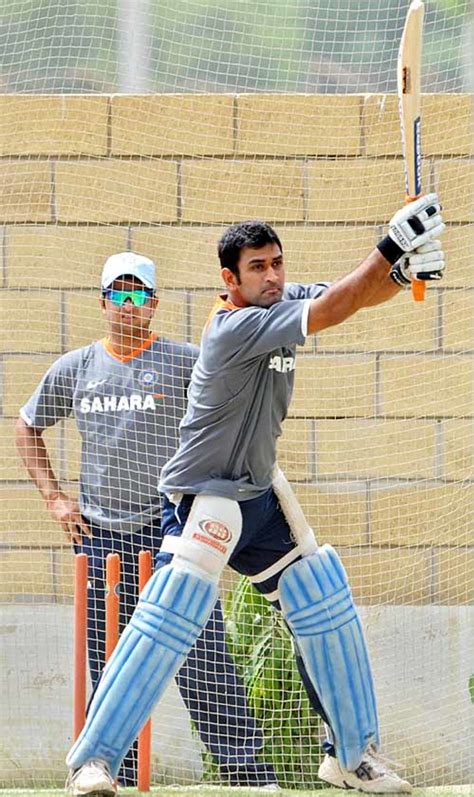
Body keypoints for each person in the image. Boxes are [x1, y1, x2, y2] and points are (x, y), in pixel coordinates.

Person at [64, 195, 446, 797]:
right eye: (258, 268)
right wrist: (391, 247)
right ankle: (95, 760)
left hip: (260, 494)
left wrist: (401, 275)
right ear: (229, 279)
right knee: (170, 615)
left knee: (324, 603)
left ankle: (351, 756)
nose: (272, 277)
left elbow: (353, 293)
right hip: (205, 493)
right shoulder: (234, 327)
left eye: (277, 264)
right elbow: (339, 305)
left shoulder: (280, 299)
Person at [15, 252, 280, 789]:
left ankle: (245, 772)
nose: (129, 304)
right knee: (111, 660)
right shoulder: (75, 367)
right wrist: (55, 499)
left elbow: (227, 402)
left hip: (172, 532)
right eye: (119, 293)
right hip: (100, 536)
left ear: (154, 304)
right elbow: (27, 427)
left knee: (203, 652)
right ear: (104, 302)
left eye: (140, 294)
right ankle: (109, 769)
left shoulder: (184, 362)